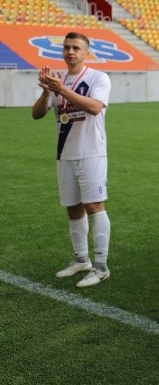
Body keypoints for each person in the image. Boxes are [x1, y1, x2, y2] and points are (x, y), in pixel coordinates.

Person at [32, 32, 113, 288]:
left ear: (86, 52)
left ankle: (101, 268)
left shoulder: (98, 78)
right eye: (66, 47)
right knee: (73, 208)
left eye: (76, 48)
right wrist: (47, 93)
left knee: (94, 206)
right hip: (65, 154)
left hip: (91, 152)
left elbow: (94, 107)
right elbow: (36, 115)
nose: (70, 52)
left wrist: (61, 89)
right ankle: (81, 260)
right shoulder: (59, 80)